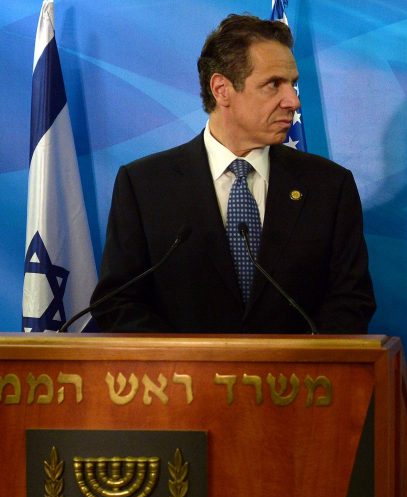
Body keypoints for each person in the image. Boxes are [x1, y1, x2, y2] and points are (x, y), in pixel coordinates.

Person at [91, 14, 374, 333]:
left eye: (292, 84)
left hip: (294, 382)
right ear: (222, 89)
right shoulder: (145, 185)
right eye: (274, 84)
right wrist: (191, 367)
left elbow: (352, 302)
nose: (293, 101)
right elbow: (117, 303)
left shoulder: (329, 187)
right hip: (182, 380)